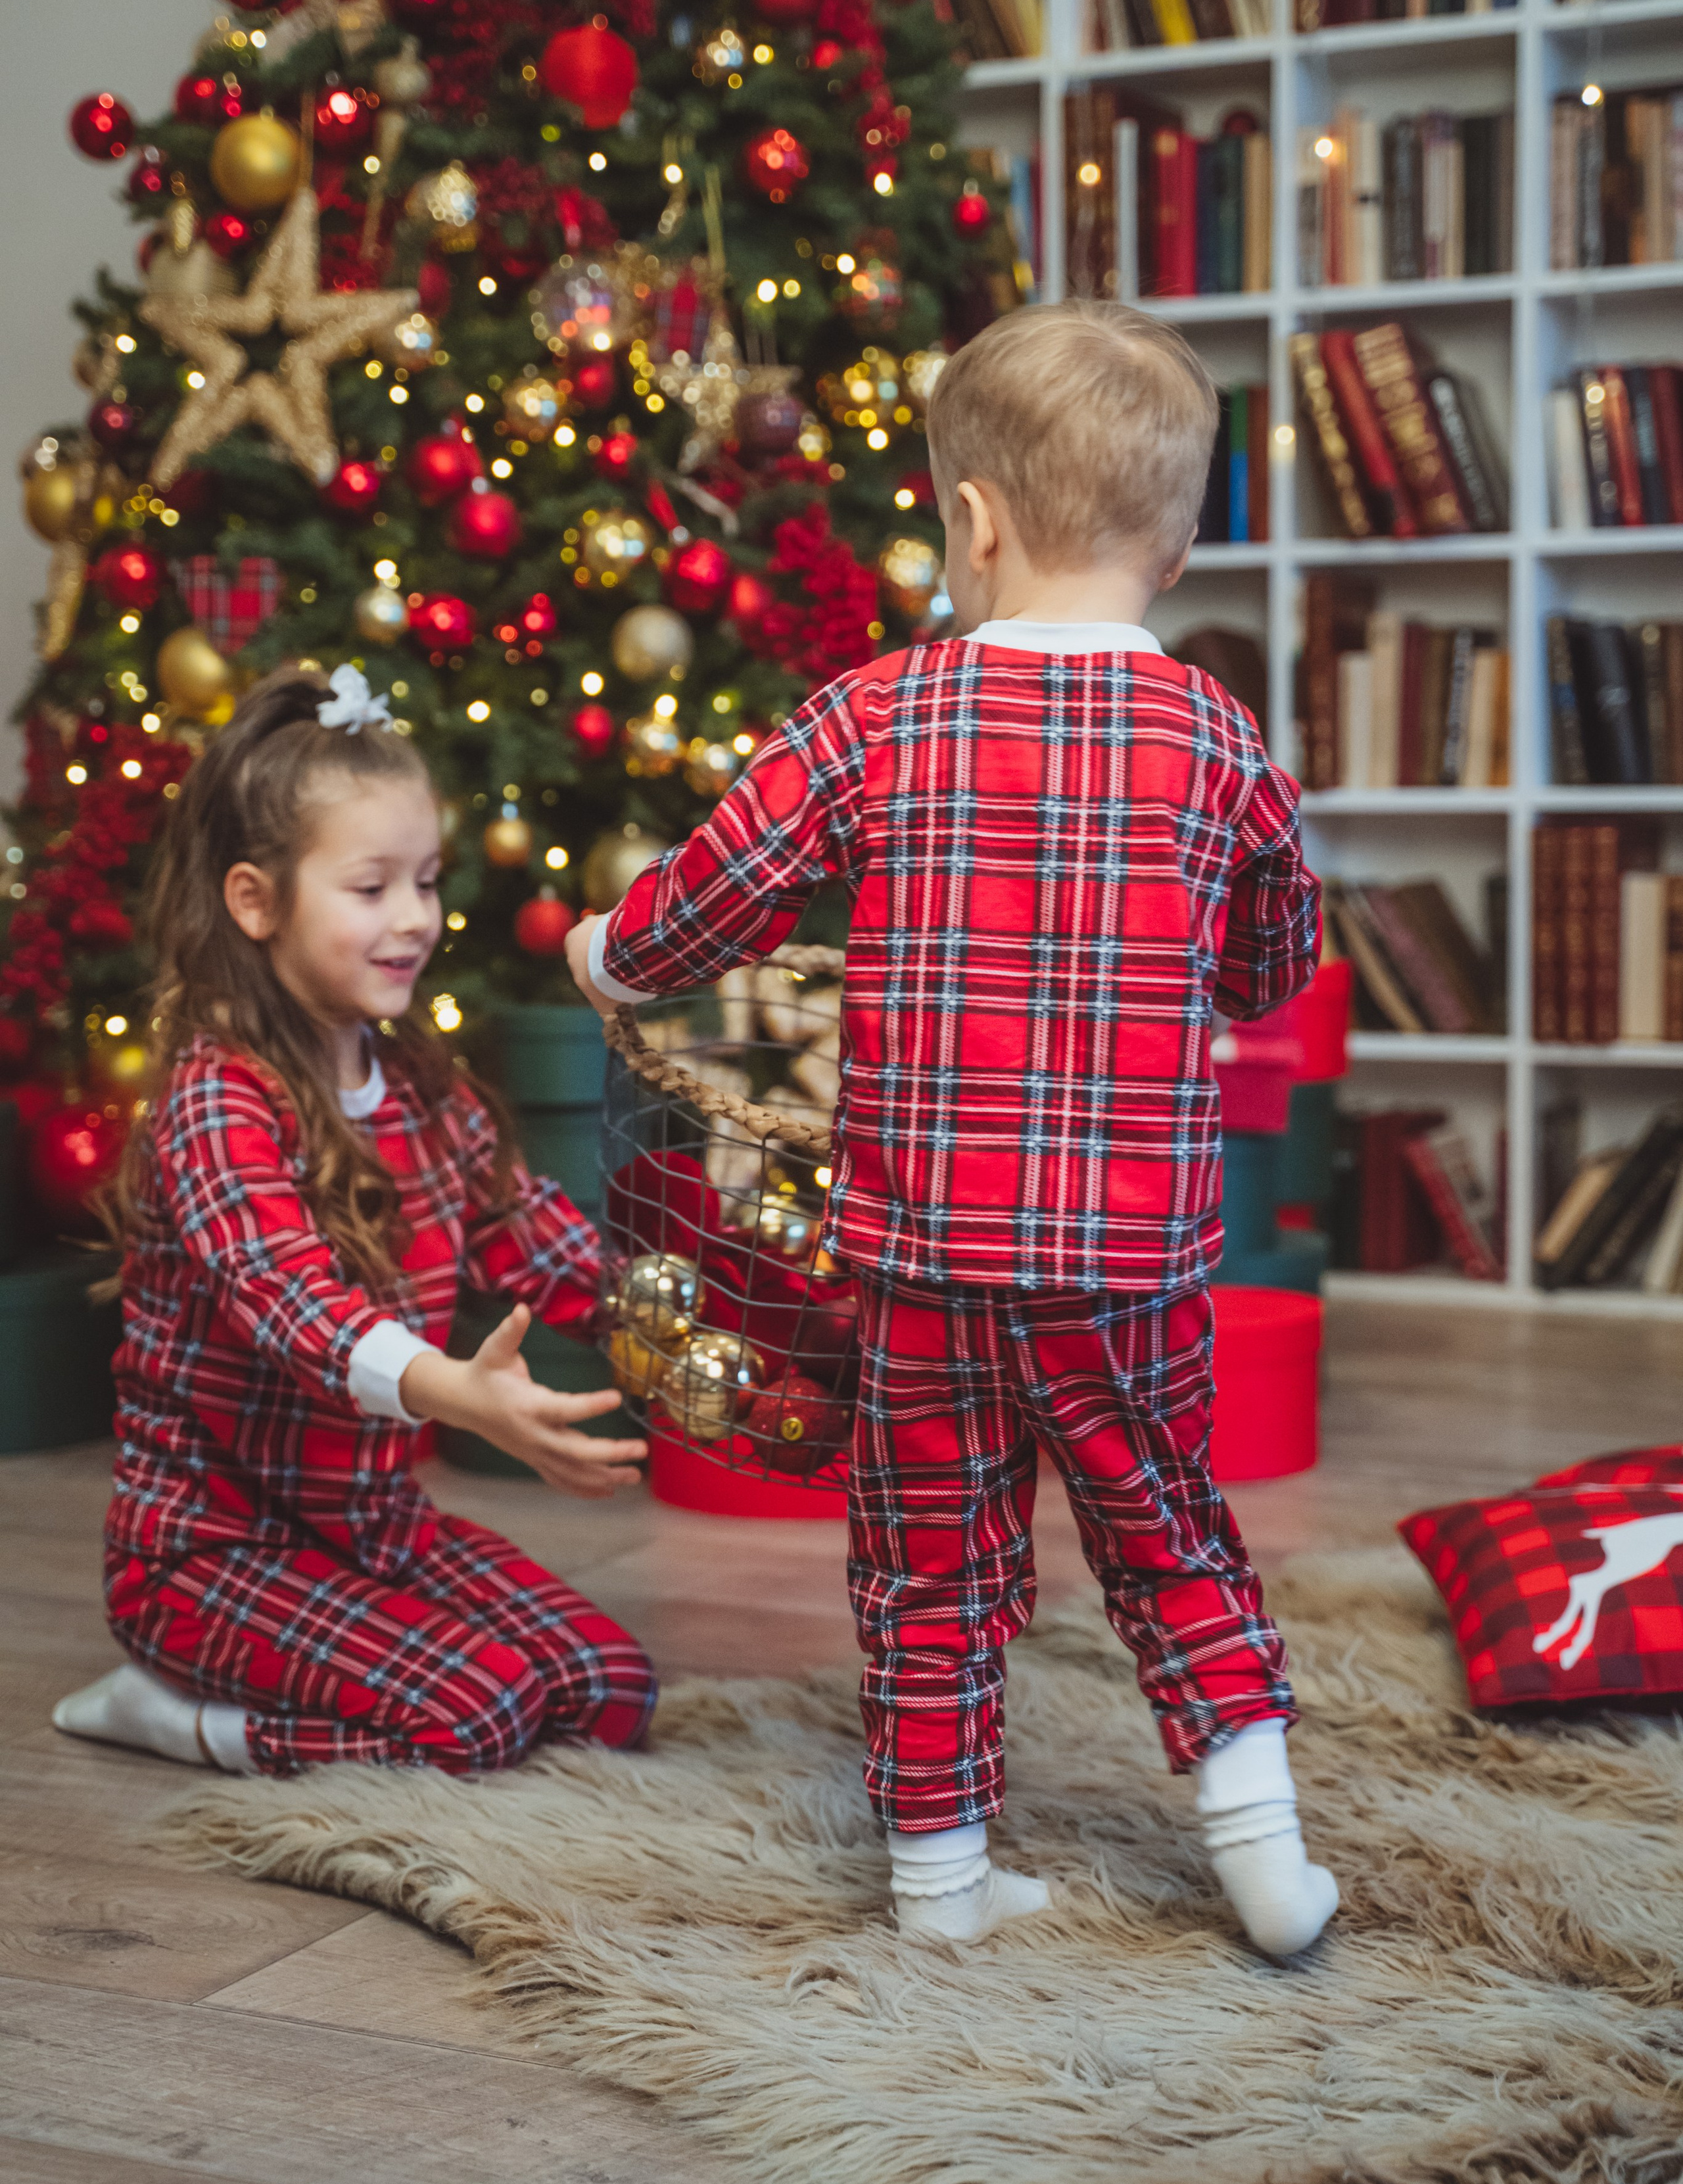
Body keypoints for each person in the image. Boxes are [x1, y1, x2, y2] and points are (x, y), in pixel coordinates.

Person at [566, 301, 1336, 1960]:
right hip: (1126, 1267)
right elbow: (1279, 955)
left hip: (918, 1259)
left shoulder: (875, 715)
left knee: (927, 1560)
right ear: (1179, 545)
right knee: (1171, 1534)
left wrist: (605, 953)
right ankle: (1265, 1862)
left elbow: (717, 890)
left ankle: (937, 1882)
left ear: (970, 523)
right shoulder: (1216, 741)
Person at [53, 664, 653, 1779]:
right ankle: (174, 1716)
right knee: (479, 1716)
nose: (416, 920)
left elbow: (548, 1247)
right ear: (256, 900)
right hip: (207, 1555)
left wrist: (718, 1335)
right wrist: (454, 1391)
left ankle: (349, 1660)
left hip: (370, 1532)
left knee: (610, 1690)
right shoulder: (215, 1099)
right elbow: (296, 1308)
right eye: (371, 888)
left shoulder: (429, 1092)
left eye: (426, 882)